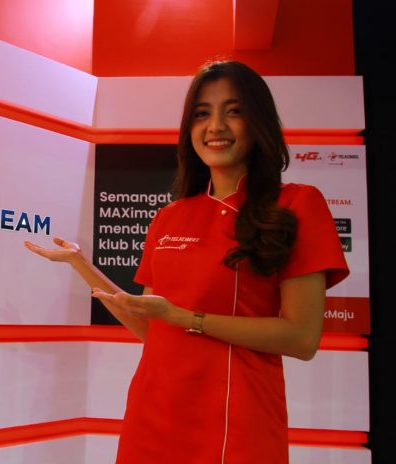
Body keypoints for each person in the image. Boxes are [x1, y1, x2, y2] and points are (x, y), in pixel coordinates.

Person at [24, 60, 348, 464]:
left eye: (233, 111)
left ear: (258, 121)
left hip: (237, 420)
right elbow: (153, 327)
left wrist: (185, 318)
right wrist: (81, 265)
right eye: (202, 114)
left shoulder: (297, 204)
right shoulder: (170, 217)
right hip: (153, 415)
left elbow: (301, 338)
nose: (215, 126)